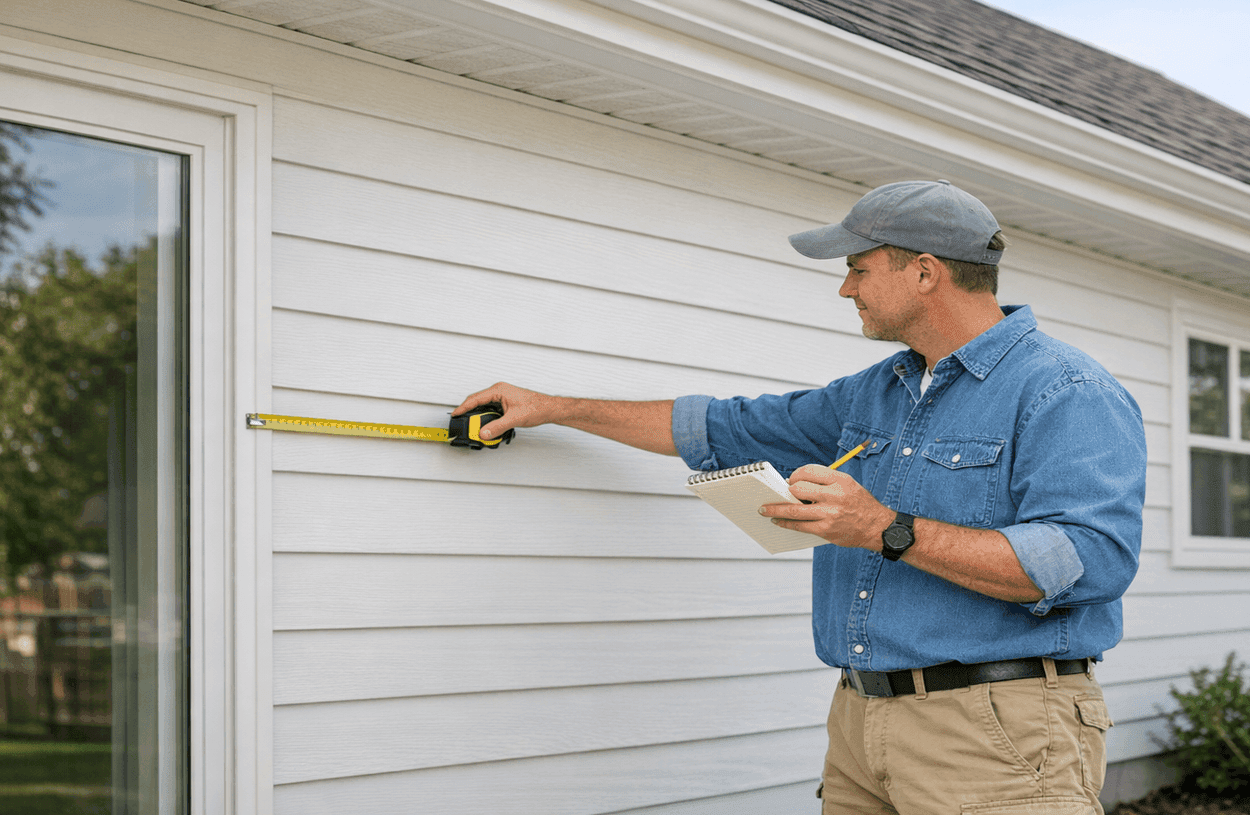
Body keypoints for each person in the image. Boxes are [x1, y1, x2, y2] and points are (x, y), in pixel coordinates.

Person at [455, 179, 1145, 815]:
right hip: (860, 719)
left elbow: (1088, 561)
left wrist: (884, 528)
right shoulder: (878, 391)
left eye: (858, 267)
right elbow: (723, 426)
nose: (846, 288)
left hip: (997, 731)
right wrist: (551, 406)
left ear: (925, 271)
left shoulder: (1065, 392)